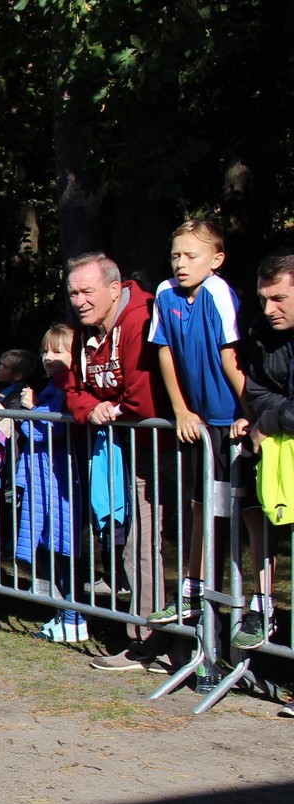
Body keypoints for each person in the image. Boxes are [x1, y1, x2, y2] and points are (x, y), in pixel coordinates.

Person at [59, 254, 164, 672]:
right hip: (117, 451)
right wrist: (94, 408)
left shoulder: (140, 320)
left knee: (145, 546)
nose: (79, 301)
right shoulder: (84, 332)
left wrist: (112, 409)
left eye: (87, 291)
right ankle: (145, 639)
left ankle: (156, 643)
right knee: (129, 544)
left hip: (159, 450)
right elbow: (73, 390)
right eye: (73, 293)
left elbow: (144, 397)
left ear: (115, 289)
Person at [147, 220, 248, 636]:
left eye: (191, 255)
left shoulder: (218, 293)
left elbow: (230, 355)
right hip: (197, 422)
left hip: (231, 421)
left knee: (239, 512)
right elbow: (164, 351)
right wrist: (181, 410)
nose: (181, 263)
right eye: (176, 255)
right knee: (198, 506)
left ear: (216, 259)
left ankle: (245, 611)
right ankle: (191, 590)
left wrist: (252, 412)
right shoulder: (165, 292)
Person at [236, 252, 294, 659]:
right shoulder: (260, 331)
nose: (269, 309)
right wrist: (276, 415)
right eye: (263, 299)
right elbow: (256, 393)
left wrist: (271, 420)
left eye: (279, 299)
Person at [15, 326, 87, 643]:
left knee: (63, 549)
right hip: (44, 478)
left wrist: (32, 410)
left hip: (61, 479)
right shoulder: (52, 385)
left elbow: (49, 428)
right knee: (47, 548)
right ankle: (63, 613)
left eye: (57, 351)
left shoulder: (69, 388)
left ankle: (74, 618)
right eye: (45, 350)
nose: (48, 357)